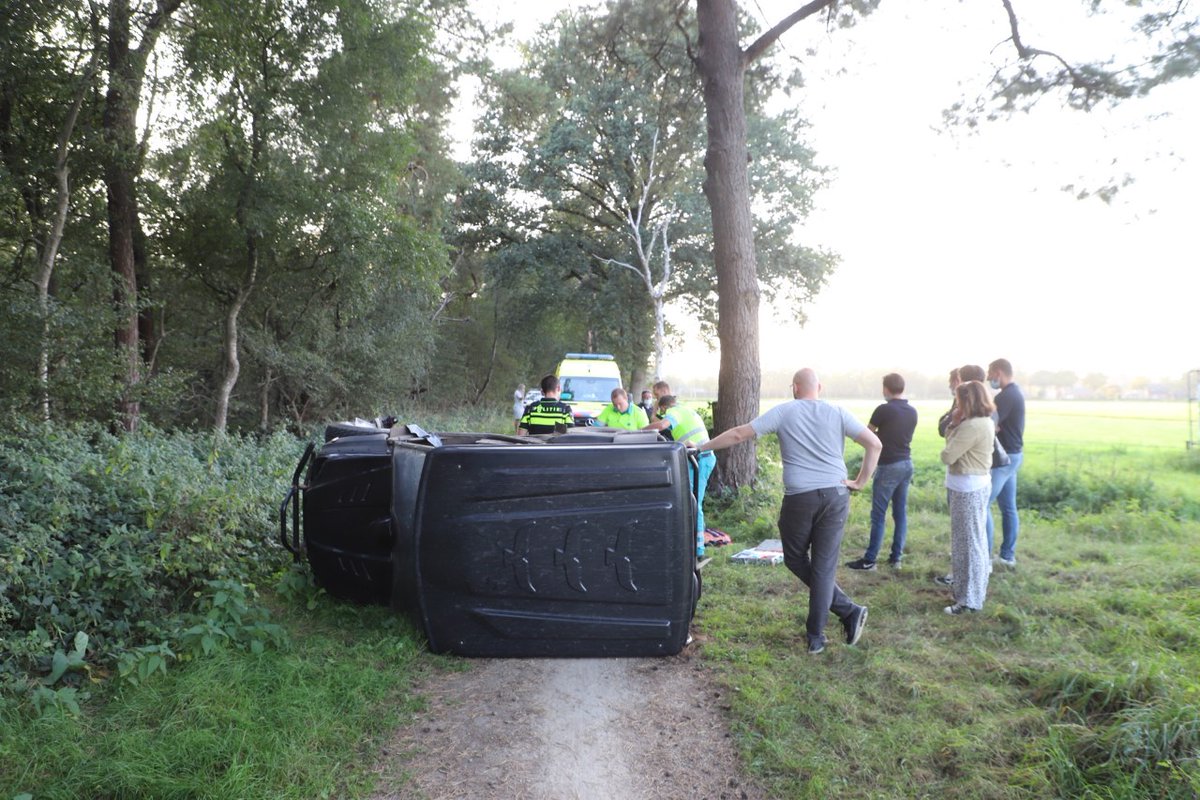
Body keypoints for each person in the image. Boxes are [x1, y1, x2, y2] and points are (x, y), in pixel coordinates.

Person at [697, 368, 881, 655]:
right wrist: (860, 482)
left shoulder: (784, 411)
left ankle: (822, 632)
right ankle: (840, 617)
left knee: (796, 559)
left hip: (800, 499)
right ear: (819, 387)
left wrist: (701, 447)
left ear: (794, 388)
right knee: (822, 567)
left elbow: (737, 435)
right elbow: (875, 444)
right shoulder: (839, 412)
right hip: (836, 495)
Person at [846, 373, 918, 570]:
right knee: (900, 513)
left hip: (888, 466)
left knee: (878, 514)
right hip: (906, 464)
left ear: (886, 388)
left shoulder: (883, 410)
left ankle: (870, 560)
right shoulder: (912, 411)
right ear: (902, 388)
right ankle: (896, 558)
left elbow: (867, 435)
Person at [939, 380, 995, 614]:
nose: (956, 405)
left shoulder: (972, 426)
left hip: (967, 488)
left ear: (967, 401)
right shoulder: (984, 422)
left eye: (959, 400)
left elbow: (947, 455)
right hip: (972, 485)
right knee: (972, 542)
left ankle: (969, 601)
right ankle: (969, 595)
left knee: (968, 545)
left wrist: (953, 424)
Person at [645, 395, 713, 557]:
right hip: (701, 457)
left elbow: (662, 425)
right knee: (691, 500)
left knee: (693, 502)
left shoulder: (674, 411)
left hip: (700, 459)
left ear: (664, 408)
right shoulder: (686, 410)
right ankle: (692, 543)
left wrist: (640, 430)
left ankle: (697, 549)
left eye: (662, 411)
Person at [986, 358, 1026, 566]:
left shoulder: (1005, 396)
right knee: (1008, 507)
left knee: (982, 504)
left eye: (990, 374)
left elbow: (990, 425)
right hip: (1015, 455)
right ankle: (1007, 556)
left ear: (999, 372)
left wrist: (992, 426)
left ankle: (985, 555)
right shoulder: (1016, 392)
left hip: (1004, 458)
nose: (988, 378)